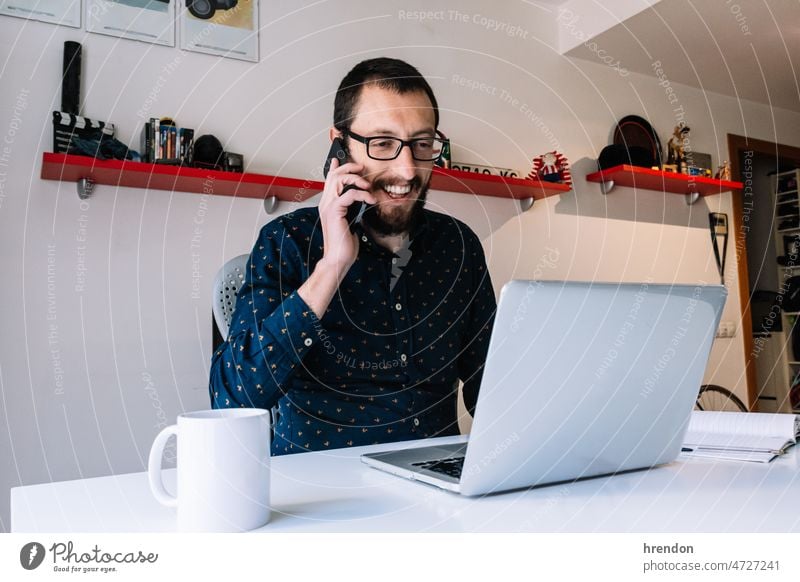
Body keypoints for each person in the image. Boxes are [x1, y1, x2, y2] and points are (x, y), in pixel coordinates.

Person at [209, 57, 496, 455]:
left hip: (438, 485)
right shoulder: (288, 242)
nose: (407, 169)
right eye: (381, 144)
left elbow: (491, 391)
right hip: (318, 489)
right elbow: (231, 397)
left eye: (423, 143)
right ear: (339, 145)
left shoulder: (459, 246)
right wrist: (332, 266)